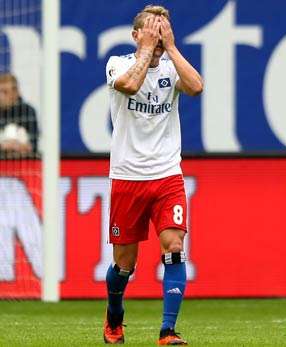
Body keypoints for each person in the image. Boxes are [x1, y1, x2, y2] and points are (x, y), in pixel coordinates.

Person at [103, 5, 203, 345]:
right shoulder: (118, 64)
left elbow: (197, 87)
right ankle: (114, 315)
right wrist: (147, 50)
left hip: (166, 175)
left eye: (163, 32)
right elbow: (129, 86)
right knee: (124, 265)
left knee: (174, 247)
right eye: (151, 31)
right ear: (135, 35)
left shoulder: (172, 68)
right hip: (127, 176)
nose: (157, 37)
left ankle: (168, 331)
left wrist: (171, 49)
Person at [0, 73, 38, 158]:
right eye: (1, 92)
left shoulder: (28, 111)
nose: (1, 96)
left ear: (16, 92)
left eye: (5, 92)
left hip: (25, 166)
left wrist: (8, 145)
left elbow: (32, 145)